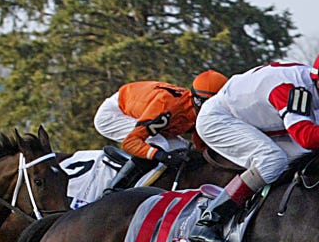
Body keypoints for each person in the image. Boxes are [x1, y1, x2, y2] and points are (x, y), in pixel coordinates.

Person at [187, 44, 319, 242]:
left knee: (311, 159)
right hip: (219, 119)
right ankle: (209, 221)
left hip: (255, 121)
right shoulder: (292, 90)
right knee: (272, 160)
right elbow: (307, 137)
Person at [96, 70, 229, 191]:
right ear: (198, 100)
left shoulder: (196, 109)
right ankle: (117, 189)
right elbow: (130, 143)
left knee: (182, 150)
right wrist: (161, 156)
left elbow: (201, 147)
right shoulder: (166, 107)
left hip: (142, 109)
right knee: (160, 145)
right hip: (115, 113)